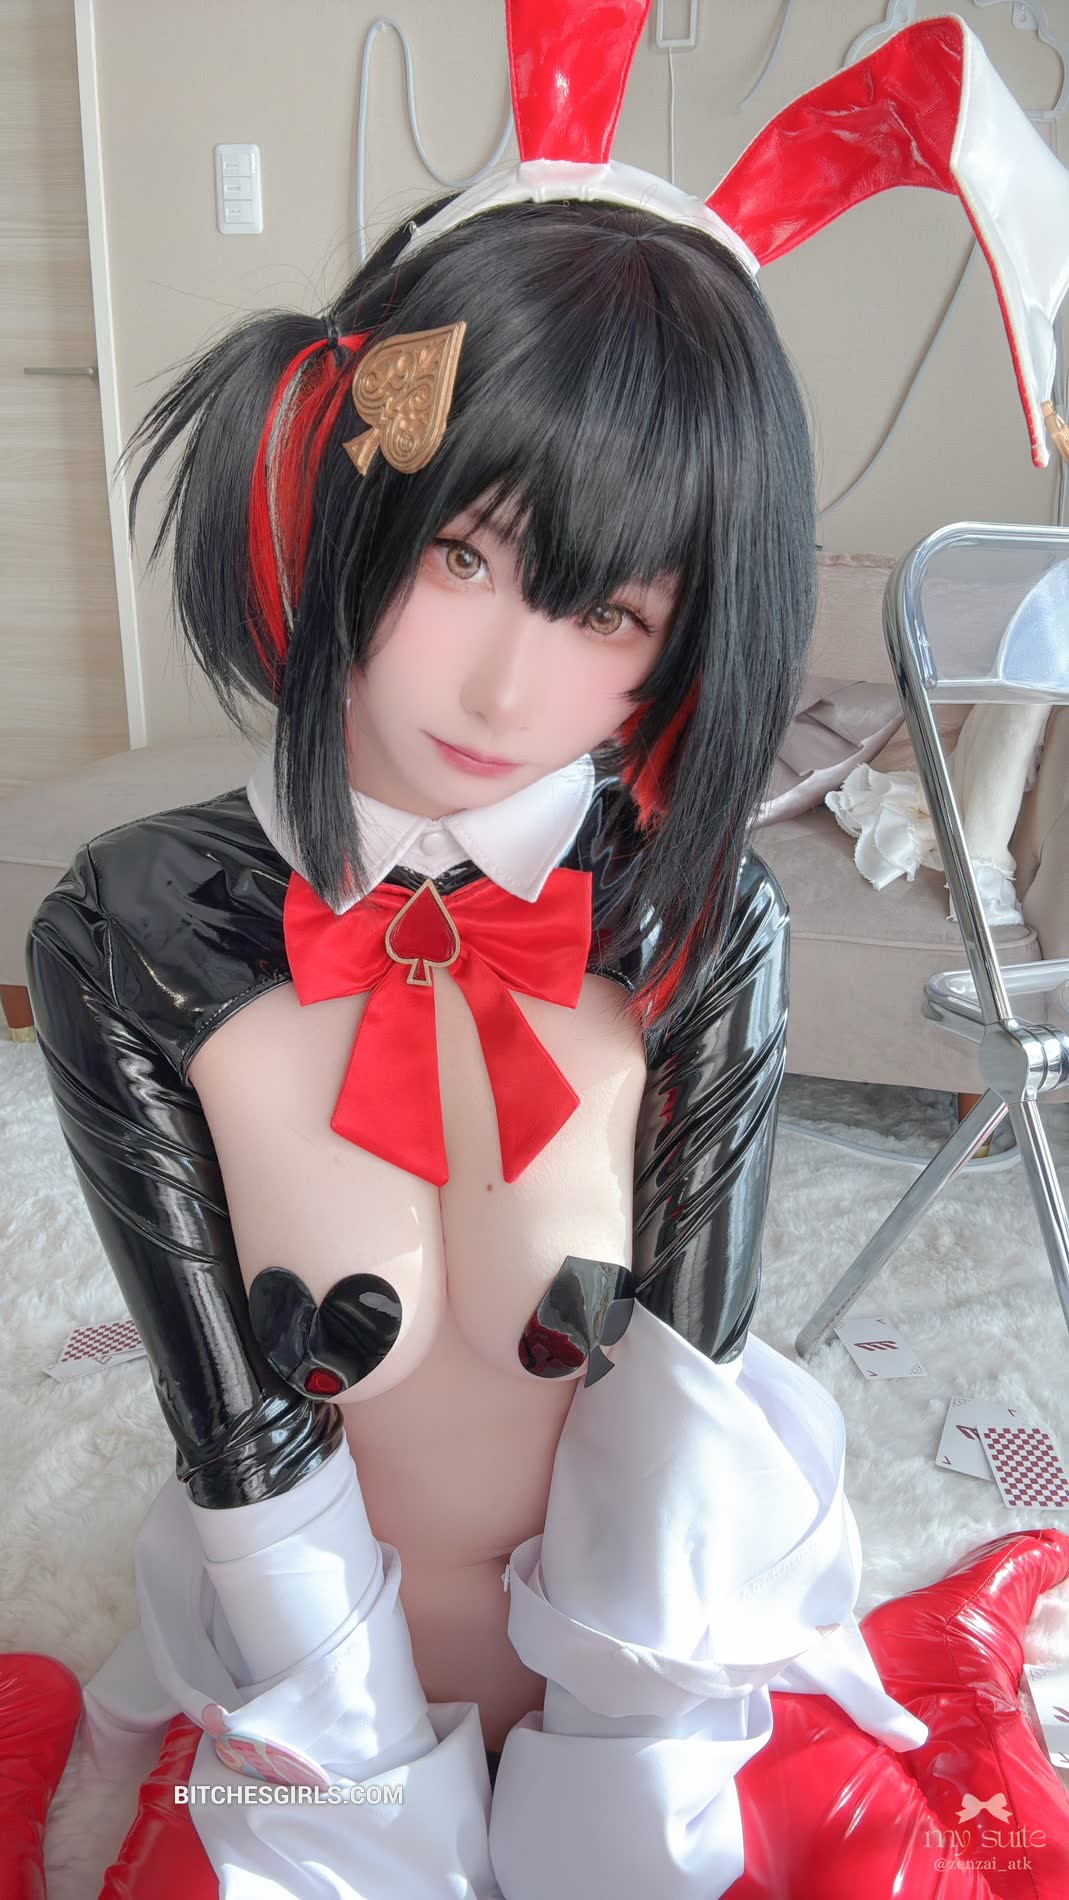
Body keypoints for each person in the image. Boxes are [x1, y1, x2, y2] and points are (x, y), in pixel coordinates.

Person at [24, 6, 1069, 1894]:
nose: (507, 693)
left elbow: (678, 1414)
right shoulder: (129, 933)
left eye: (611, 613)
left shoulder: (697, 921)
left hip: (640, 1697)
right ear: (344, 478)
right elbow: (238, 1445)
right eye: (461, 558)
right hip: (309, 1721)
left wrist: (616, 1835)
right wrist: (375, 1829)